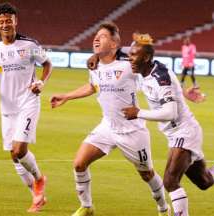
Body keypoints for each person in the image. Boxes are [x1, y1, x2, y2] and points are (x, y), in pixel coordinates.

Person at [121, 33, 214, 216]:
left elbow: (170, 113)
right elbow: (171, 89)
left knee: (170, 181)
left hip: (185, 132)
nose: (130, 59)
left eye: (134, 55)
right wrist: (183, 93)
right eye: (130, 54)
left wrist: (138, 113)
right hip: (177, 133)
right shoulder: (146, 70)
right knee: (204, 181)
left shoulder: (160, 77)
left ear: (147, 57)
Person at [50, 22, 169, 216]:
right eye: (96, 35)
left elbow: (153, 69)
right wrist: (66, 96)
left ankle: (163, 208)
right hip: (107, 126)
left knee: (147, 173)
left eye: (103, 36)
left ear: (114, 44)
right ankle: (87, 207)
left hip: (132, 130)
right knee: (79, 163)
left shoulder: (129, 63)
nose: (96, 39)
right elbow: (92, 87)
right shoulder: (94, 65)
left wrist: (179, 95)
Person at [0, 2, 52, 213]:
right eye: (1, 21)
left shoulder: (29, 45)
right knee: (13, 154)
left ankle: (39, 179)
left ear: (15, 21)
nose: (5, 24)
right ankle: (37, 196)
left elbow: (47, 63)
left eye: (8, 20)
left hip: (28, 101)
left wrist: (41, 83)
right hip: (6, 107)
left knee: (20, 149)